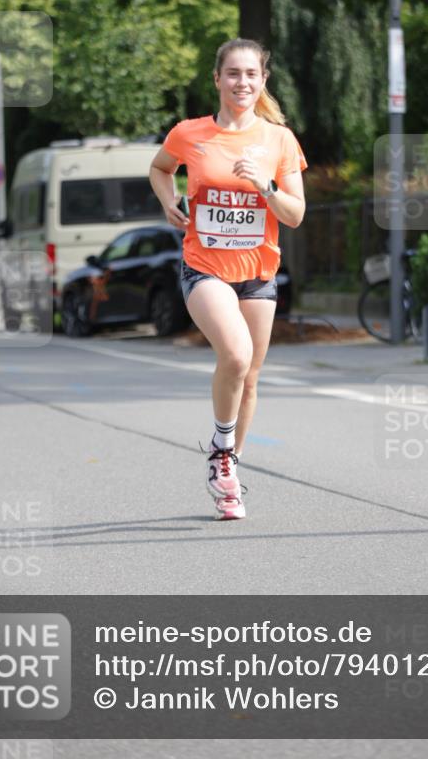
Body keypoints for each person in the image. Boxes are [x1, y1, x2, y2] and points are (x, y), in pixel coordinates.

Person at [149, 38, 307, 520]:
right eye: (233, 74)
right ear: (217, 79)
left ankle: (229, 471)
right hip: (205, 266)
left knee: (251, 376)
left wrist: (265, 184)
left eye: (251, 74)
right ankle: (220, 452)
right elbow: (160, 168)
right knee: (234, 355)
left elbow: (296, 214)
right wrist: (168, 200)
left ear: (263, 81)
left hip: (259, 273)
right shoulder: (190, 133)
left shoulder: (279, 139)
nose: (242, 83)